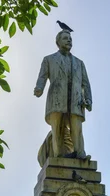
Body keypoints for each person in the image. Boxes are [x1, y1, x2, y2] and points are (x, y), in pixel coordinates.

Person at [34, 30, 92, 160]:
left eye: (70, 38)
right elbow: (42, 76)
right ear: (58, 42)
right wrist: (39, 88)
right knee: (57, 130)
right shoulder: (49, 59)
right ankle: (58, 156)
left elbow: (85, 83)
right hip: (56, 99)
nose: (69, 40)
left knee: (77, 129)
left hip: (76, 101)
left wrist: (88, 99)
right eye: (65, 38)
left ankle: (80, 153)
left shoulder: (79, 63)